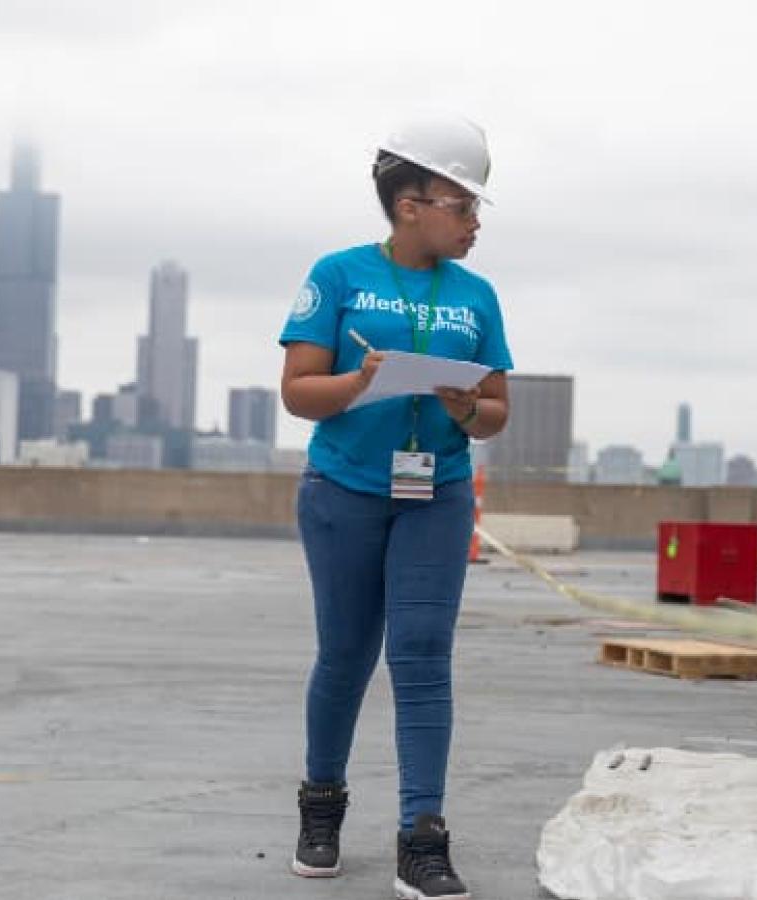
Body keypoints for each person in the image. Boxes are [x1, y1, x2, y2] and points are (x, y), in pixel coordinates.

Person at [277, 114, 511, 900]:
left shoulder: (477, 296)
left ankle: (423, 835)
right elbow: (298, 393)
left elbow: (497, 410)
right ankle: (321, 804)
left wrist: (461, 409)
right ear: (411, 203)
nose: (475, 221)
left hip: (435, 496)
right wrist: (360, 382)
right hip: (342, 491)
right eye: (462, 204)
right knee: (345, 655)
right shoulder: (339, 276)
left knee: (421, 656)